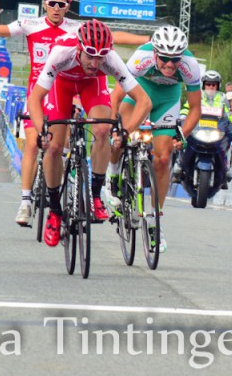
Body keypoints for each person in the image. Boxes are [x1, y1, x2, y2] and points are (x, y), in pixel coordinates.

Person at [0, 0, 149, 226]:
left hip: (83, 83)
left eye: (62, 4)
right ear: (44, 3)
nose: (56, 8)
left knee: (96, 130)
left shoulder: (80, 31)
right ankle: (27, 201)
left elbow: (113, 36)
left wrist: (147, 40)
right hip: (45, 86)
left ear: (68, 6)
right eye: (52, 3)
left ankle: (87, 185)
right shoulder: (31, 24)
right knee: (38, 142)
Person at [27, 20, 151, 247]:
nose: (95, 62)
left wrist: (125, 133)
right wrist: (40, 131)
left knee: (103, 129)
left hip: (91, 86)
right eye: (90, 56)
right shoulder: (61, 52)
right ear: (78, 49)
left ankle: (95, 195)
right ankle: (55, 211)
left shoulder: (110, 59)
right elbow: (35, 98)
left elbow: (144, 101)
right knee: (53, 146)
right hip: (61, 86)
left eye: (100, 57)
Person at [109, 26, 202, 253]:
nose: (169, 65)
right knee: (120, 137)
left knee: (162, 158)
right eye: (164, 59)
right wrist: (113, 126)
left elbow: (196, 109)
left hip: (167, 99)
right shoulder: (141, 57)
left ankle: (154, 222)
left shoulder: (190, 66)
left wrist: (180, 136)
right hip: (139, 92)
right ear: (155, 54)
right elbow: (117, 94)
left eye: (174, 60)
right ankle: (112, 176)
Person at [173, 70, 232, 188]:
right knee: (185, 138)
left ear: (218, 85)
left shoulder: (222, 99)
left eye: (214, 84)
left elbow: (228, 114)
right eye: (208, 84)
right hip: (198, 127)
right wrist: (183, 116)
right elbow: (187, 108)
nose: (211, 87)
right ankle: (179, 163)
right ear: (203, 85)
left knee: (225, 144)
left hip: (216, 129)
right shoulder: (197, 96)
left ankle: (225, 168)